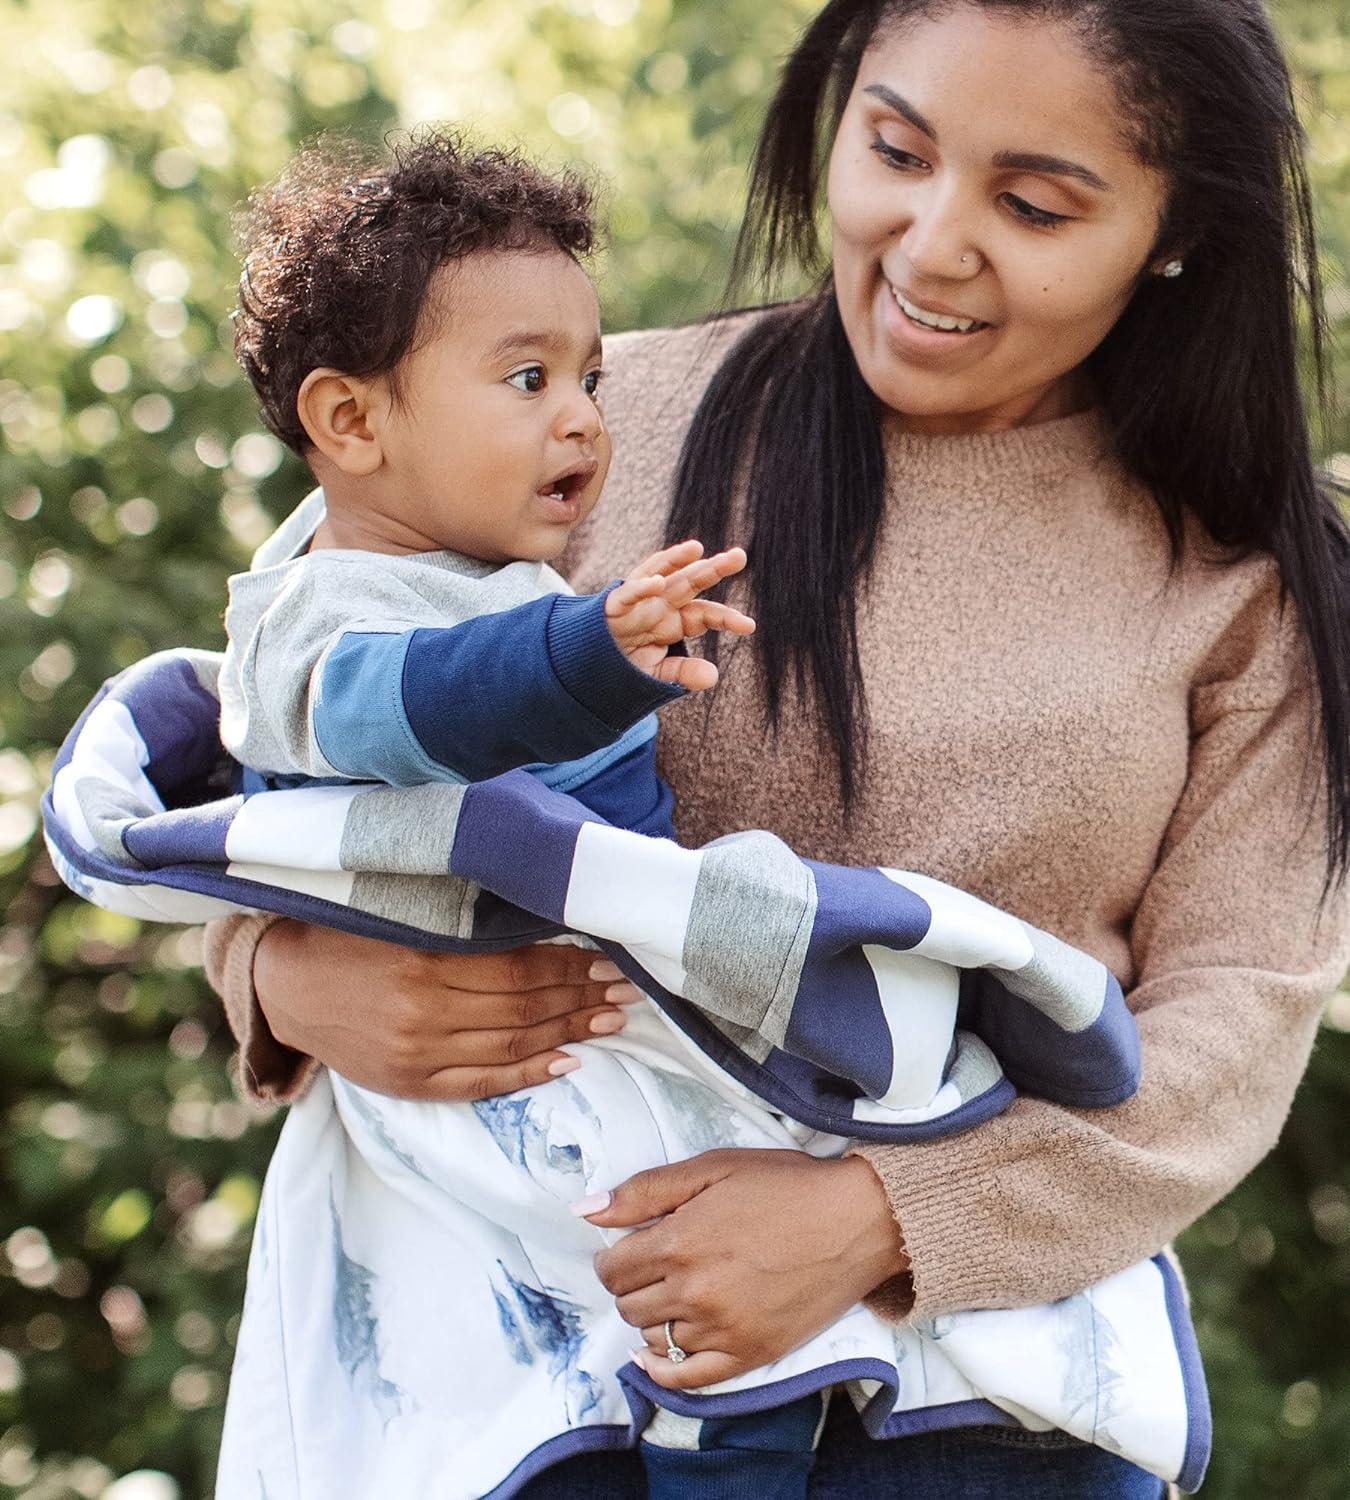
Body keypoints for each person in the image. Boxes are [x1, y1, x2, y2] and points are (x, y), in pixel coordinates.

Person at [200, 0, 1350, 1495]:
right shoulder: (578, 420)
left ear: (1176, 230)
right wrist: (282, 979)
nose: (931, 242)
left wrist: (881, 1215)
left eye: (1031, 203)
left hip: (966, 1415)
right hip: (513, 1374)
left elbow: (1227, 1034)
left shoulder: (1252, 589)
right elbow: (283, 717)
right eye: (894, 151)